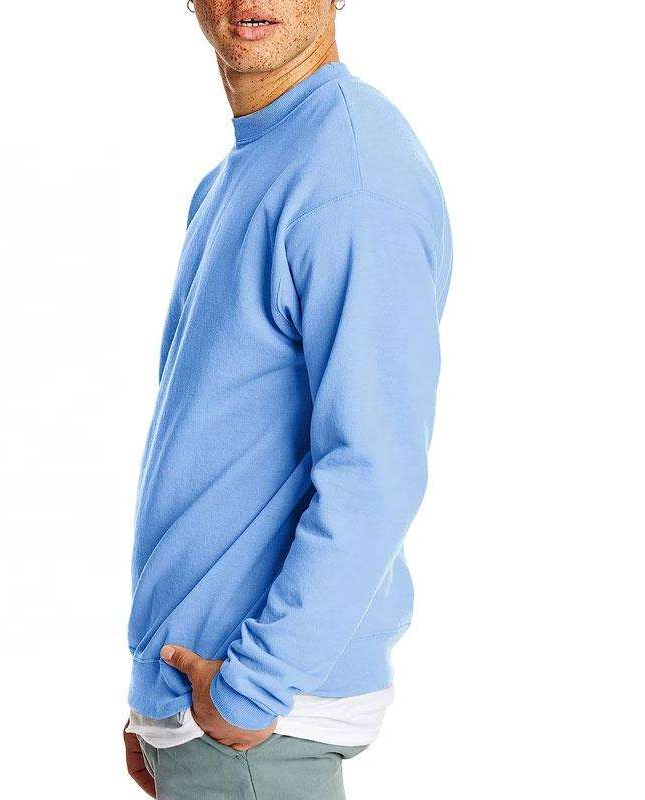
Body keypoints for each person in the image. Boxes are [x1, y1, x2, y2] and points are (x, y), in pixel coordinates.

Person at [123, 1, 452, 797]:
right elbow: (215, 443)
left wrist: (250, 688)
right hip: (207, 711)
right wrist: (154, 702)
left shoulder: (349, 178)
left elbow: (375, 468)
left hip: (258, 715)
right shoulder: (244, 170)